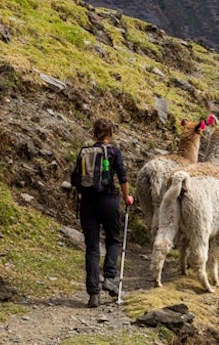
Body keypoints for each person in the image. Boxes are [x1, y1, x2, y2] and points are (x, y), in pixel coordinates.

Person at [70, 118, 134, 308]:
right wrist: (126, 197)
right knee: (113, 239)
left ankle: (93, 294)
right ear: (111, 134)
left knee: (92, 247)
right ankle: (109, 278)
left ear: (94, 134)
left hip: (87, 204)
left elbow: (75, 179)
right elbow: (122, 176)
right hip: (108, 201)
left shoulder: (84, 152)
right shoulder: (114, 152)